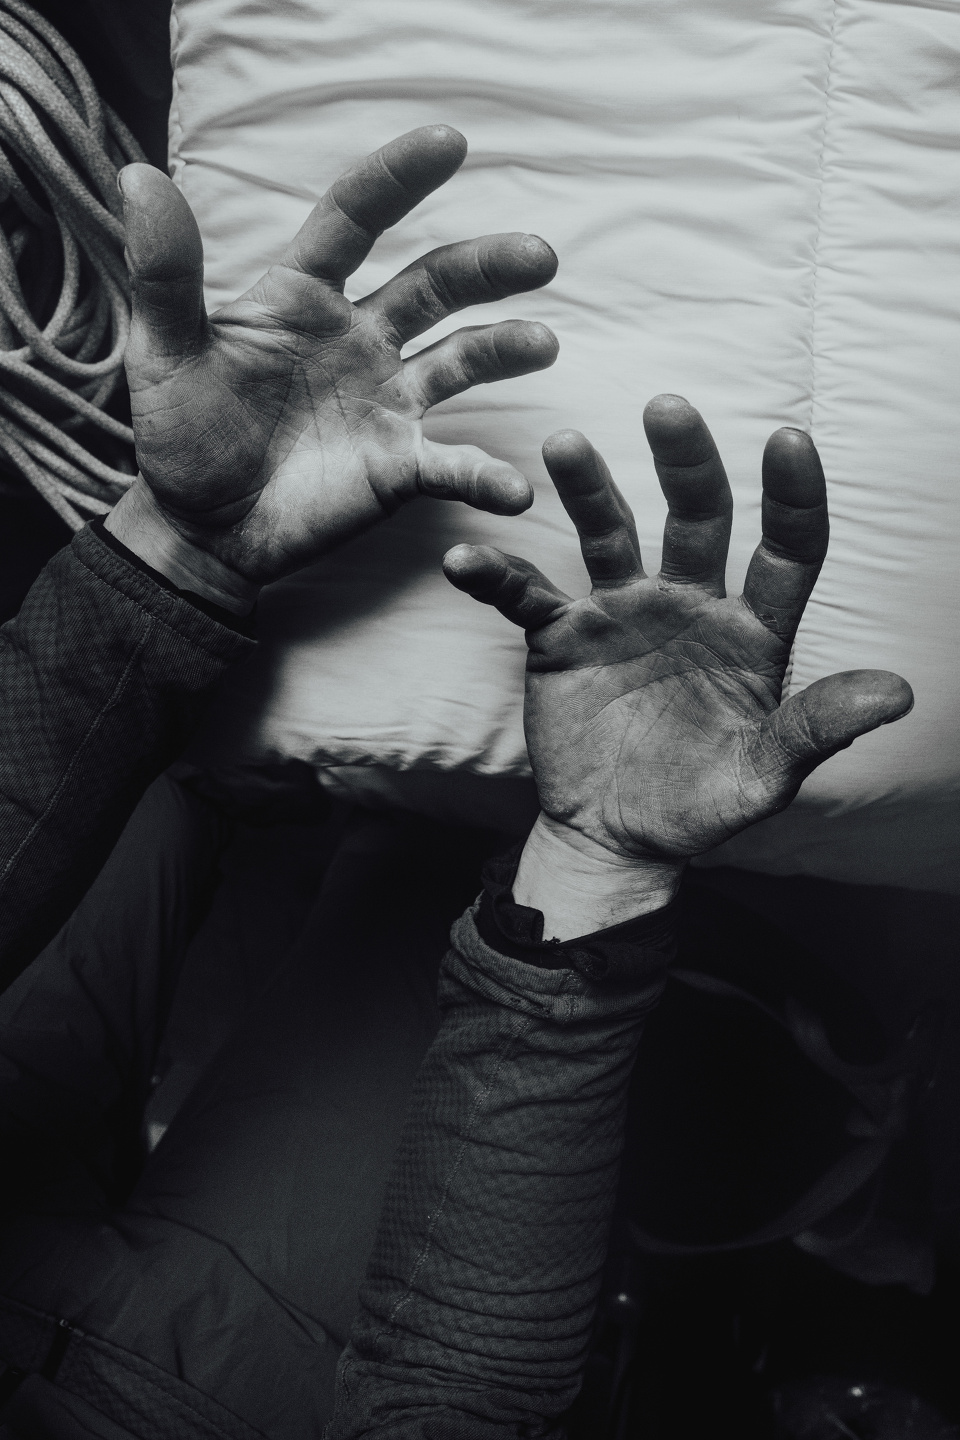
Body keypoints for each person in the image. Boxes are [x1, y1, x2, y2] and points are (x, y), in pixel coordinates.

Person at [0, 127, 912, 1439]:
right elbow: (455, 1391)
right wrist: (595, 866)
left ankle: (237, 801)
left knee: (157, 786)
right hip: (211, 1404)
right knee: (434, 893)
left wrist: (175, 554)